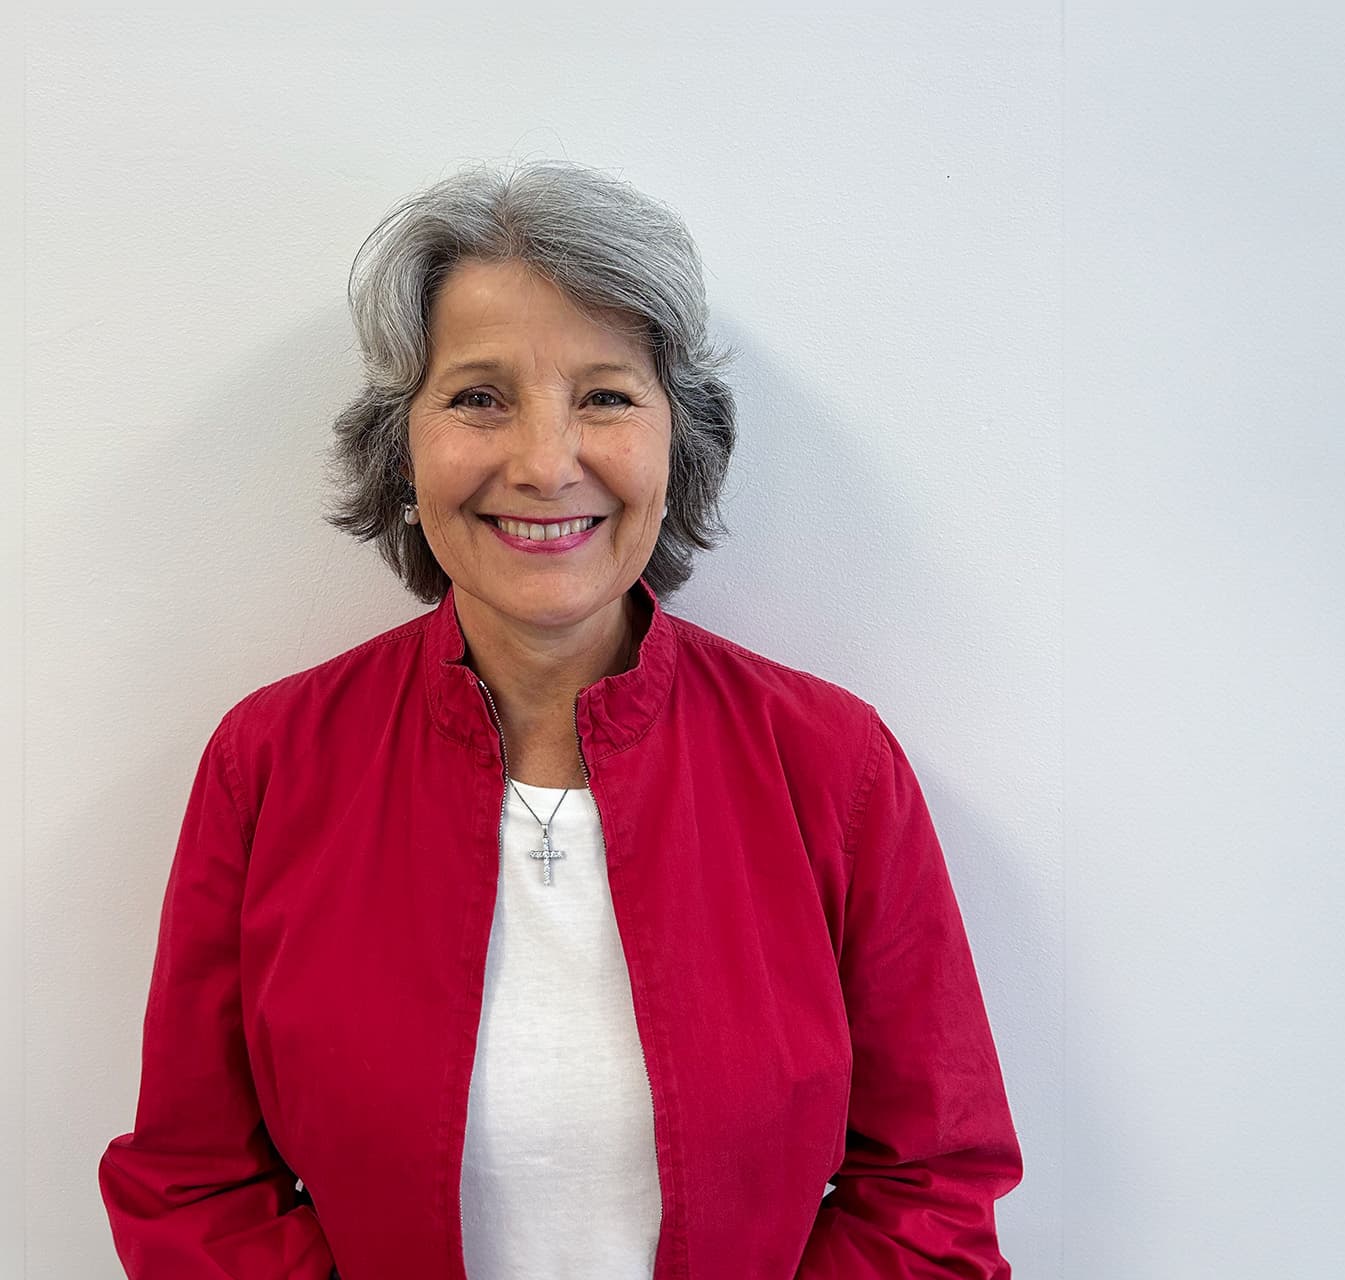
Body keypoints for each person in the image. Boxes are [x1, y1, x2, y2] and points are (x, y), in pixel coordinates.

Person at [98, 158, 1023, 1279]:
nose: (545, 462)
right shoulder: (271, 762)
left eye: (606, 395)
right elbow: (195, 1183)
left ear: (678, 446)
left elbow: (931, 1181)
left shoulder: (832, 765)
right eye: (480, 395)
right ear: (403, 446)